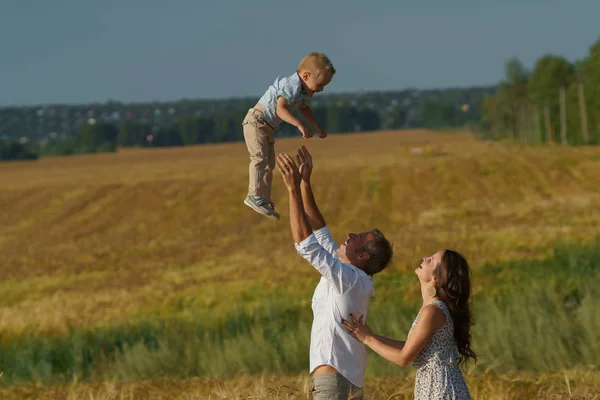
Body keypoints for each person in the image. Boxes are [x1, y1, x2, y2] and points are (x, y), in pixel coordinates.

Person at [275, 146, 393, 400]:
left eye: (358, 238)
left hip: (333, 380)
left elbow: (307, 247)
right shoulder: (354, 277)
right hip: (346, 377)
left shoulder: (348, 279)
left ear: (362, 256)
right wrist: (305, 183)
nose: (349, 235)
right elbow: (321, 233)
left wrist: (292, 190)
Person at [341, 250, 476, 400]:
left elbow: (403, 358)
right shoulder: (433, 309)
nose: (424, 258)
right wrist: (370, 335)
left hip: (440, 390)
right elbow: (410, 348)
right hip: (439, 386)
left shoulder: (433, 311)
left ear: (437, 278)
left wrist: (368, 339)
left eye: (431, 260)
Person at [243, 52, 335, 221]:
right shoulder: (292, 85)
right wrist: (299, 125)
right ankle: (253, 195)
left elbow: (304, 109)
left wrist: (317, 126)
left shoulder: (303, 92)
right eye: (320, 84)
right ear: (306, 76)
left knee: (269, 164)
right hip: (256, 122)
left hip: (267, 128)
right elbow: (280, 109)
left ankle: (263, 199)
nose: (320, 90)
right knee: (259, 158)